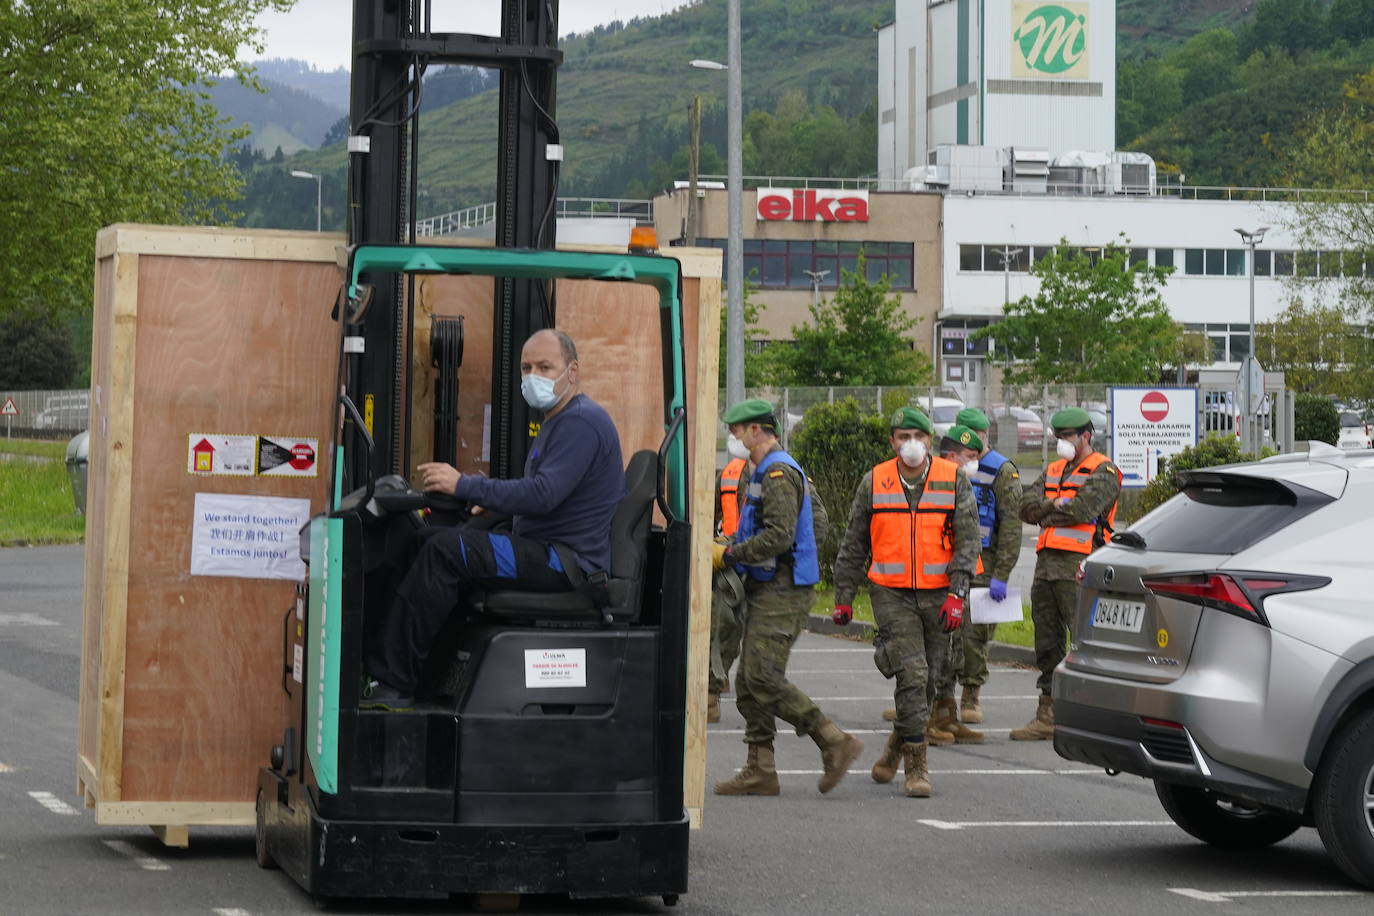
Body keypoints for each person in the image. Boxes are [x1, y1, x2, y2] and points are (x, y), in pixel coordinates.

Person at [361, 329, 625, 710]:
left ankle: (391, 683)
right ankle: (397, 667)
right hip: (544, 549)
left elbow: (543, 493)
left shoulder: (580, 422)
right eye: (526, 367)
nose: (533, 375)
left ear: (573, 370)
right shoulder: (559, 420)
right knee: (422, 539)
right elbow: (544, 493)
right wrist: (498, 505)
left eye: (545, 366)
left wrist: (464, 485)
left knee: (445, 551)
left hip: (563, 562)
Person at [712, 399, 863, 797]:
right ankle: (761, 769)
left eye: (737, 430)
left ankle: (832, 738)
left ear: (758, 431)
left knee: (761, 676)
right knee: (747, 682)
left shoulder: (778, 471)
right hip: (768, 585)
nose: (733, 438)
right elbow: (755, 528)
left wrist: (729, 554)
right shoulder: (761, 469)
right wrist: (729, 544)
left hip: (784, 588)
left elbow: (780, 535)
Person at [831, 407, 979, 797]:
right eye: (903, 436)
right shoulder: (874, 480)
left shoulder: (953, 480)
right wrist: (843, 595)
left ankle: (893, 750)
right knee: (911, 675)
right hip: (891, 593)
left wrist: (957, 595)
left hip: (939, 594)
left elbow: (968, 542)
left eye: (919, 435)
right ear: (892, 441)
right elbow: (853, 543)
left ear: (931, 440)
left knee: (929, 680)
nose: (911, 443)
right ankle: (917, 768)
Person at [1011, 407, 1121, 740]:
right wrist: (1052, 507)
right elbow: (1023, 506)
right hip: (1046, 568)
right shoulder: (1055, 468)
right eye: (1057, 437)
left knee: (1086, 642)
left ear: (1085, 436)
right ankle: (1048, 714)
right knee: (1047, 642)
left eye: (1066, 437)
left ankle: (1095, 715)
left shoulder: (1104, 470)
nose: (1061, 443)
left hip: (1081, 567)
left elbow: (1082, 510)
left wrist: (1049, 508)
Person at [953, 407, 1023, 725]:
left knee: (974, 634)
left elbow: (1011, 526)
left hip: (985, 563)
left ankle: (971, 694)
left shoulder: (1002, 471)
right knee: (940, 633)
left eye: (972, 437)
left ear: (984, 436)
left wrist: (1002, 574)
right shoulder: (947, 466)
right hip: (950, 561)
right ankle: (932, 699)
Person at [924, 425, 989, 745]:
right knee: (934, 655)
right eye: (970, 457)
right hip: (933, 581)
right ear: (952, 456)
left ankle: (945, 715)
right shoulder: (933, 480)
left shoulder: (957, 481)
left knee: (953, 651)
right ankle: (926, 719)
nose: (975, 462)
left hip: (958, 577)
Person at [707, 442, 750, 724]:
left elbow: (815, 521)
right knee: (722, 623)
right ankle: (711, 693)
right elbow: (710, 513)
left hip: (766, 566)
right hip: (732, 561)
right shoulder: (729, 473)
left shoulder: (784, 473)